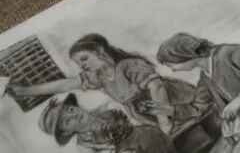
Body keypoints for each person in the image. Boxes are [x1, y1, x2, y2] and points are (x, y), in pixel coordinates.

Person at [10, 34, 198, 135]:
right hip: (152, 116)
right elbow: (63, 85)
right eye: (79, 64)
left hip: (177, 102)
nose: (82, 66)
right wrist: (26, 91)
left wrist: (164, 122)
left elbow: (157, 88)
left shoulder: (128, 66)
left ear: (99, 51)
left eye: (84, 59)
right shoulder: (98, 79)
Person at [37, 93, 176, 153]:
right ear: (67, 132)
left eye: (70, 109)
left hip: (150, 141)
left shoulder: (109, 107)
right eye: (67, 121)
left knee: (148, 134)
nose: (74, 115)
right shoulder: (84, 146)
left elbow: (138, 119)